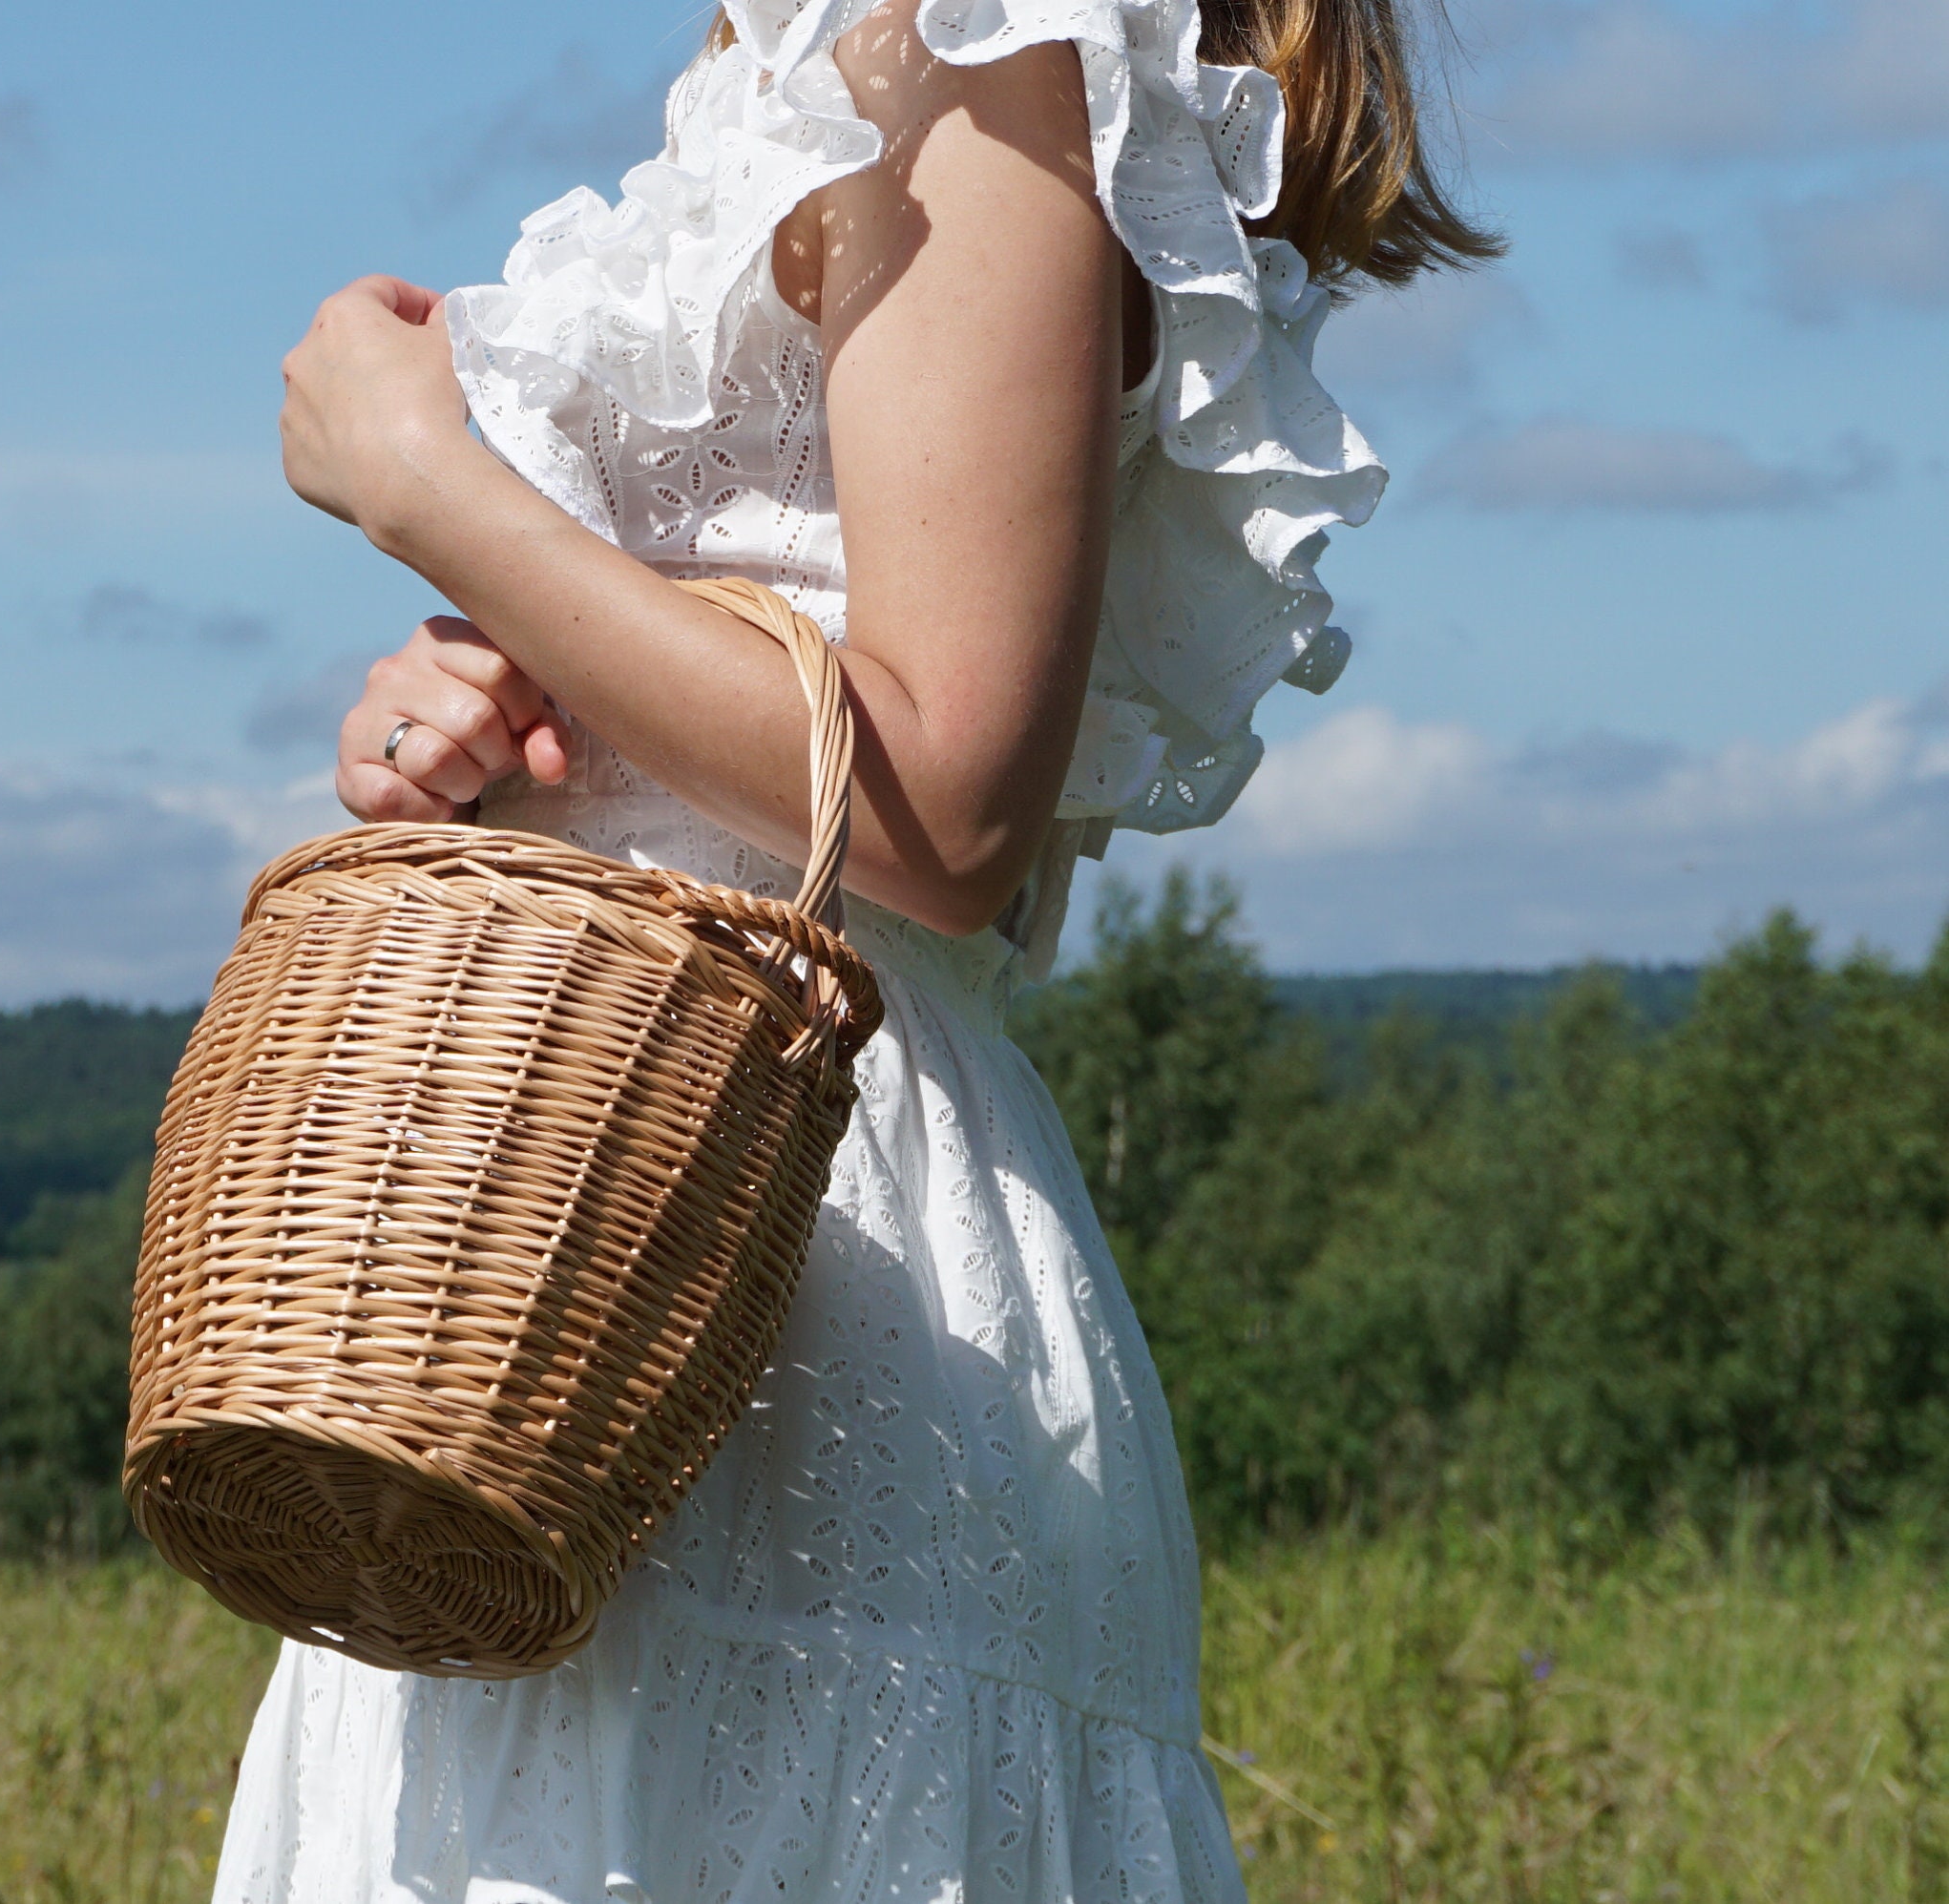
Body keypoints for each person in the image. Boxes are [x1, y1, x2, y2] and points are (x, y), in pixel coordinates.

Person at [227, 0, 1494, 1894]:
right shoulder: (813, 69)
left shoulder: (981, 60)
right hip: (570, 1240)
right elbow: (764, 655)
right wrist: (469, 724)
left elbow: (941, 804)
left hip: (803, 1238)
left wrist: (432, 489)